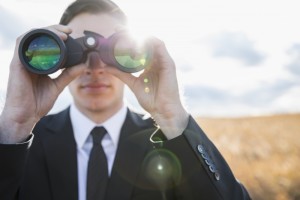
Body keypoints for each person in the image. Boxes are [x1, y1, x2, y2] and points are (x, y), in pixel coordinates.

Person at [0, 0, 251, 199]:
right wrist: (14, 125)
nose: (94, 67)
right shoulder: (20, 143)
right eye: (75, 52)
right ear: (60, 54)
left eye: (113, 49)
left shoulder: (170, 142)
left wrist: (172, 116)